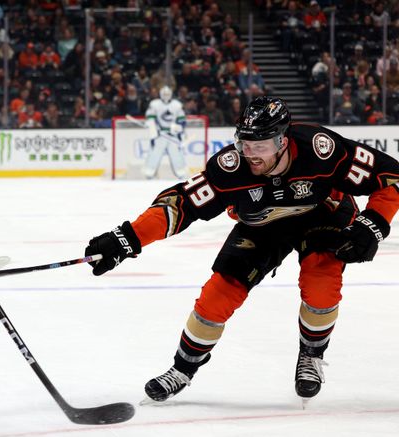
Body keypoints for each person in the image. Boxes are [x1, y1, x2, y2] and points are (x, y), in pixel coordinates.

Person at [84, 96, 399, 404]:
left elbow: (391, 177)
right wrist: (127, 239)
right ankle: (182, 369)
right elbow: (182, 204)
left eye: (259, 146)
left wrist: (374, 223)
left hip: (324, 214)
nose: (250, 154)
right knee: (216, 296)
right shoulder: (230, 168)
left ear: (282, 141)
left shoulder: (321, 150)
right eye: (244, 143)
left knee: (321, 285)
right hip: (262, 226)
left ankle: (311, 355)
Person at [143, 86, 188, 179]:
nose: (166, 96)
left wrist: (178, 128)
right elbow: (150, 118)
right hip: (160, 134)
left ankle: (181, 173)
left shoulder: (177, 105)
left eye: (167, 94)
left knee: (176, 154)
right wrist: (153, 128)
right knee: (155, 153)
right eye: (164, 94)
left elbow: (182, 120)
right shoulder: (154, 104)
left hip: (173, 135)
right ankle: (149, 173)